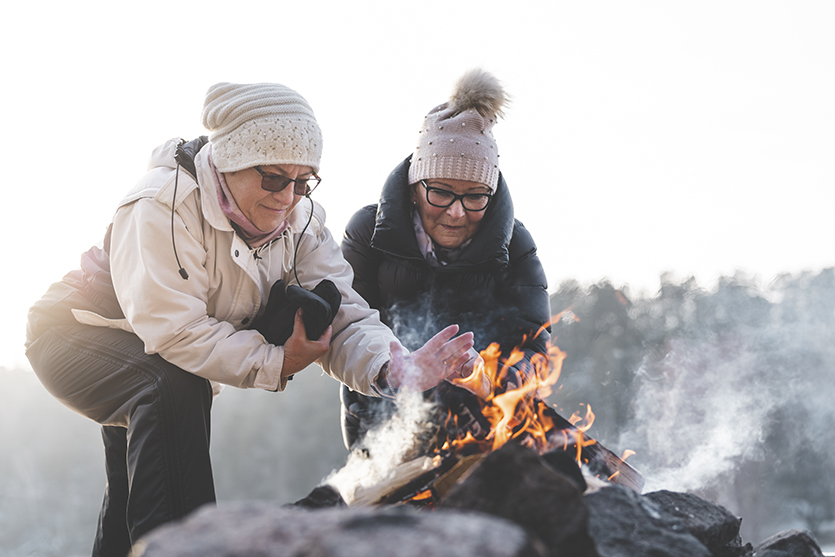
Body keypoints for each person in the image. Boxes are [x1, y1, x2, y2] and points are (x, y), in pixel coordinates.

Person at [24, 82, 475, 556]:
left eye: (303, 182)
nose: (288, 197)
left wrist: (394, 367)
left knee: (133, 487)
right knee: (171, 388)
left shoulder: (301, 223)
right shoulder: (160, 203)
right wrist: (276, 362)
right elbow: (174, 330)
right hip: (72, 334)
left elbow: (344, 314)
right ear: (230, 162)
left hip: (147, 352)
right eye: (275, 178)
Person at [339, 69, 551, 451]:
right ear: (414, 186)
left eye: (475, 196)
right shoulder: (368, 230)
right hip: (382, 424)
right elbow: (348, 328)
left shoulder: (514, 243)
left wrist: (486, 376)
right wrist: (401, 370)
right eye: (441, 192)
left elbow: (535, 347)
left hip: (484, 427)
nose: (456, 213)